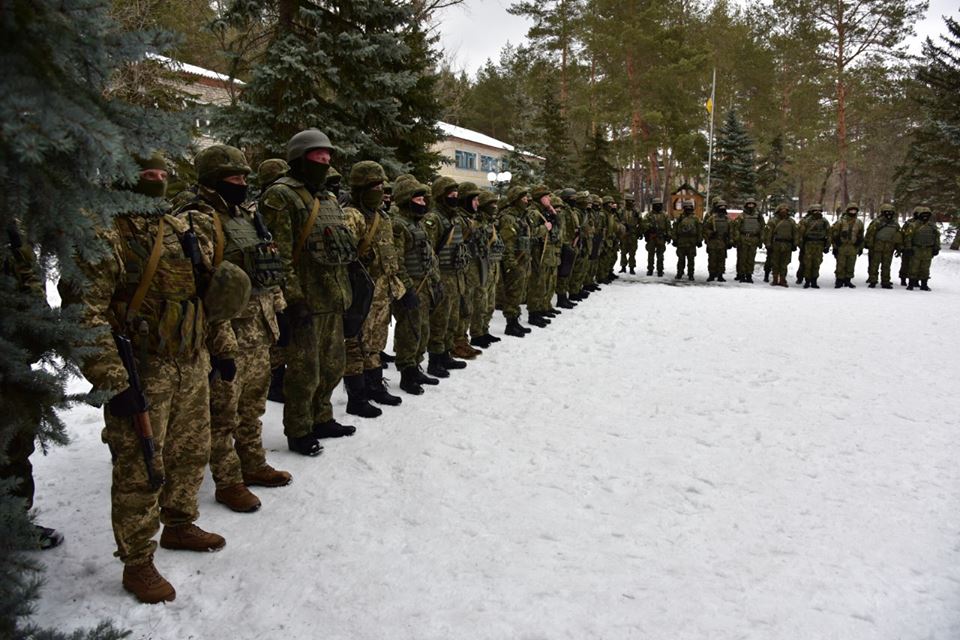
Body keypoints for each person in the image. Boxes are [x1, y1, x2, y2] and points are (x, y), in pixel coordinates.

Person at [60, 153, 250, 603]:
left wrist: (221, 349)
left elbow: (208, 296)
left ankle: (180, 524)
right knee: (141, 466)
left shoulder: (182, 228)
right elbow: (83, 313)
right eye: (147, 174)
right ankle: (137, 561)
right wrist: (113, 379)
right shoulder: (102, 228)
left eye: (163, 174)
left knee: (190, 452)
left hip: (190, 361)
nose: (157, 181)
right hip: (141, 370)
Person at [175, 145, 292, 514]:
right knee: (223, 412)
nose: (243, 183)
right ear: (213, 180)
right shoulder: (199, 219)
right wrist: (219, 344)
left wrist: (279, 311)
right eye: (236, 178)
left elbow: (266, 265)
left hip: (259, 325)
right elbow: (203, 286)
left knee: (252, 405)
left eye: (245, 177)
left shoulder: (248, 215)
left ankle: (252, 463)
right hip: (227, 333)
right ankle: (228, 481)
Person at [258, 129, 357, 456]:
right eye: (318, 155)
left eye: (329, 155)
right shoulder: (281, 196)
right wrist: (293, 300)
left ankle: (322, 416)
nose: (326, 160)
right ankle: (299, 428)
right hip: (304, 302)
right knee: (304, 370)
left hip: (332, 297)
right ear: (300, 158)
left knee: (332, 365)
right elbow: (278, 255)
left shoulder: (327, 199)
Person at [2, 222, 64, 550]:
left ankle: (15, 522)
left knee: (16, 443)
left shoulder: (14, 234)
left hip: (16, 357)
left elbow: (31, 283)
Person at [340, 161, 406, 418]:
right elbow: (344, 258)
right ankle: (356, 396)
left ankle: (375, 385)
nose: (380, 190)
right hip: (360, 292)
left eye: (382, 186)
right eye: (374, 186)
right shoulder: (351, 215)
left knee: (376, 342)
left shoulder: (383, 217)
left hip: (381, 292)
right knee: (355, 343)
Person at [391, 179, 441, 394]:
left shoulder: (417, 223)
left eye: (423, 199)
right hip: (412, 286)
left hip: (425, 284)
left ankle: (416, 364)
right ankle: (407, 372)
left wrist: (435, 280)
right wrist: (407, 289)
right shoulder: (398, 225)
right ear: (405, 200)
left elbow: (429, 254)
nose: (422, 203)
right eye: (418, 199)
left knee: (422, 329)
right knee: (409, 331)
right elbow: (397, 261)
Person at [423, 177, 469, 376]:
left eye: (456, 195)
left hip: (455, 275)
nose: (454, 199)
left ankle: (445, 355)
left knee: (452, 319)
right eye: (451, 195)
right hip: (441, 276)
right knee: (439, 321)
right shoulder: (433, 220)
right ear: (441, 196)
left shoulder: (454, 218)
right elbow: (429, 252)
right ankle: (435, 359)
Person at [496, 185, 533, 337]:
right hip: (514, 261)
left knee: (518, 293)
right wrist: (511, 264)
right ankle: (510, 324)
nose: (526, 201)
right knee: (512, 293)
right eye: (523, 198)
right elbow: (507, 243)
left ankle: (515, 320)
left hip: (522, 259)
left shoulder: (521, 217)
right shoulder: (508, 218)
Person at [470, 190, 505, 347]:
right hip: (481, 267)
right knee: (480, 302)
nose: (494, 207)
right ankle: (477, 333)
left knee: (490, 302)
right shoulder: (476, 223)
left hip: (492, 265)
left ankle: (485, 329)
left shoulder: (491, 223)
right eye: (491, 204)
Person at [526, 185, 561, 327]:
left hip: (545, 253)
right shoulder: (533, 212)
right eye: (546, 197)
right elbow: (531, 233)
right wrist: (544, 228)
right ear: (540, 198)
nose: (549, 199)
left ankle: (541, 309)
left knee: (544, 282)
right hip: (536, 253)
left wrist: (552, 211)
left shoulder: (544, 211)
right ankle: (534, 313)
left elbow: (557, 225)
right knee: (537, 283)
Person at [864, 203, 902, 289]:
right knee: (874, 265)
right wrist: (869, 245)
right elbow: (870, 234)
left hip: (889, 248)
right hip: (876, 247)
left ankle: (885, 281)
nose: (889, 214)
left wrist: (899, 248)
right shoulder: (877, 222)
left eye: (891, 212)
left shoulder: (895, 224)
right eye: (887, 212)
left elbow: (898, 237)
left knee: (886, 265)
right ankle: (873, 280)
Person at [905, 206, 940, 291]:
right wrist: (908, 248)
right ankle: (911, 284)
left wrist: (936, 248)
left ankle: (924, 284)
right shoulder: (914, 225)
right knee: (914, 267)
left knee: (925, 268)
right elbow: (908, 237)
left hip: (928, 249)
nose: (925, 216)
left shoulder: (932, 226)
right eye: (923, 214)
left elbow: (936, 237)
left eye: (927, 214)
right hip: (916, 248)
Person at [795, 204, 831, 289]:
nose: (817, 212)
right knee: (807, 264)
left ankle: (814, 280)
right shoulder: (806, 221)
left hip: (819, 245)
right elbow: (800, 234)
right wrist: (801, 245)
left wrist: (827, 246)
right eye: (815, 211)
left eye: (819, 211)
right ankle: (807, 280)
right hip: (808, 245)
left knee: (816, 263)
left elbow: (829, 234)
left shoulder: (824, 221)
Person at [831, 204, 865, 288]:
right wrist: (835, 247)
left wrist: (860, 247)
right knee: (841, 264)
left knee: (851, 264)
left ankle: (847, 280)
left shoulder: (859, 222)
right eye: (851, 210)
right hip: (842, 246)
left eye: (855, 210)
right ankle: (839, 280)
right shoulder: (840, 222)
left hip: (853, 247)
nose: (853, 212)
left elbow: (861, 235)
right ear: (847, 211)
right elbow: (834, 235)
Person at [731, 197, 764, 283]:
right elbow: (736, 228)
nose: (751, 206)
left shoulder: (758, 216)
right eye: (749, 204)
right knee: (742, 258)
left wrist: (761, 240)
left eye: (752, 204)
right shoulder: (742, 216)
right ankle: (741, 275)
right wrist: (737, 239)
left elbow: (762, 228)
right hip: (743, 238)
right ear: (746, 205)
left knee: (751, 258)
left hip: (754, 238)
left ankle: (749, 275)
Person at [764, 204, 797, 287]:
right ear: (778, 211)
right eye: (782, 210)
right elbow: (768, 233)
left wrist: (795, 244)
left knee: (784, 263)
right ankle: (775, 279)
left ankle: (782, 280)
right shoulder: (773, 221)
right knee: (775, 262)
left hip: (787, 244)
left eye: (785, 210)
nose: (783, 211)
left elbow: (796, 233)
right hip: (776, 244)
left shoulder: (791, 221)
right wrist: (768, 244)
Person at [701, 199, 732, 282]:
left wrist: (730, 241)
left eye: (724, 207)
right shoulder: (712, 218)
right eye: (720, 207)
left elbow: (731, 231)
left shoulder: (727, 219)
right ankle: (711, 274)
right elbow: (705, 229)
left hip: (723, 242)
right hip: (713, 242)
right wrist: (711, 233)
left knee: (722, 259)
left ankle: (720, 275)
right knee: (712, 259)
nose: (722, 209)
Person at [671, 200, 701, 281]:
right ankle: (679, 273)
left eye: (690, 207)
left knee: (691, 260)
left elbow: (699, 230)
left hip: (692, 242)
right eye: (687, 207)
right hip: (681, 242)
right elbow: (674, 229)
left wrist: (699, 240)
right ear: (684, 208)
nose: (688, 209)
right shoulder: (679, 218)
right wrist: (674, 239)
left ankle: (691, 274)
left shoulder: (695, 218)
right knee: (681, 259)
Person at [643, 197, 670, 277]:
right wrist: (648, 229)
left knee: (660, 255)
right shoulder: (649, 215)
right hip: (652, 237)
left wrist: (668, 235)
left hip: (661, 237)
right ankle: (650, 269)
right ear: (653, 205)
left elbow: (668, 226)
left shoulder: (664, 215)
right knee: (650, 254)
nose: (658, 206)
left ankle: (660, 270)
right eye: (656, 205)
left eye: (659, 205)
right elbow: (644, 224)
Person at [619, 194, 641, 274]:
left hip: (633, 234)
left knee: (632, 252)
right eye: (628, 201)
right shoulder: (621, 211)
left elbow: (641, 222)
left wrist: (639, 232)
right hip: (624, 234)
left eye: (631, 201)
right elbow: (617, 220)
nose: (629, 202)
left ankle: (632, 267)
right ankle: (623, 267)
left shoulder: (636, 211)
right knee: (623, 251)